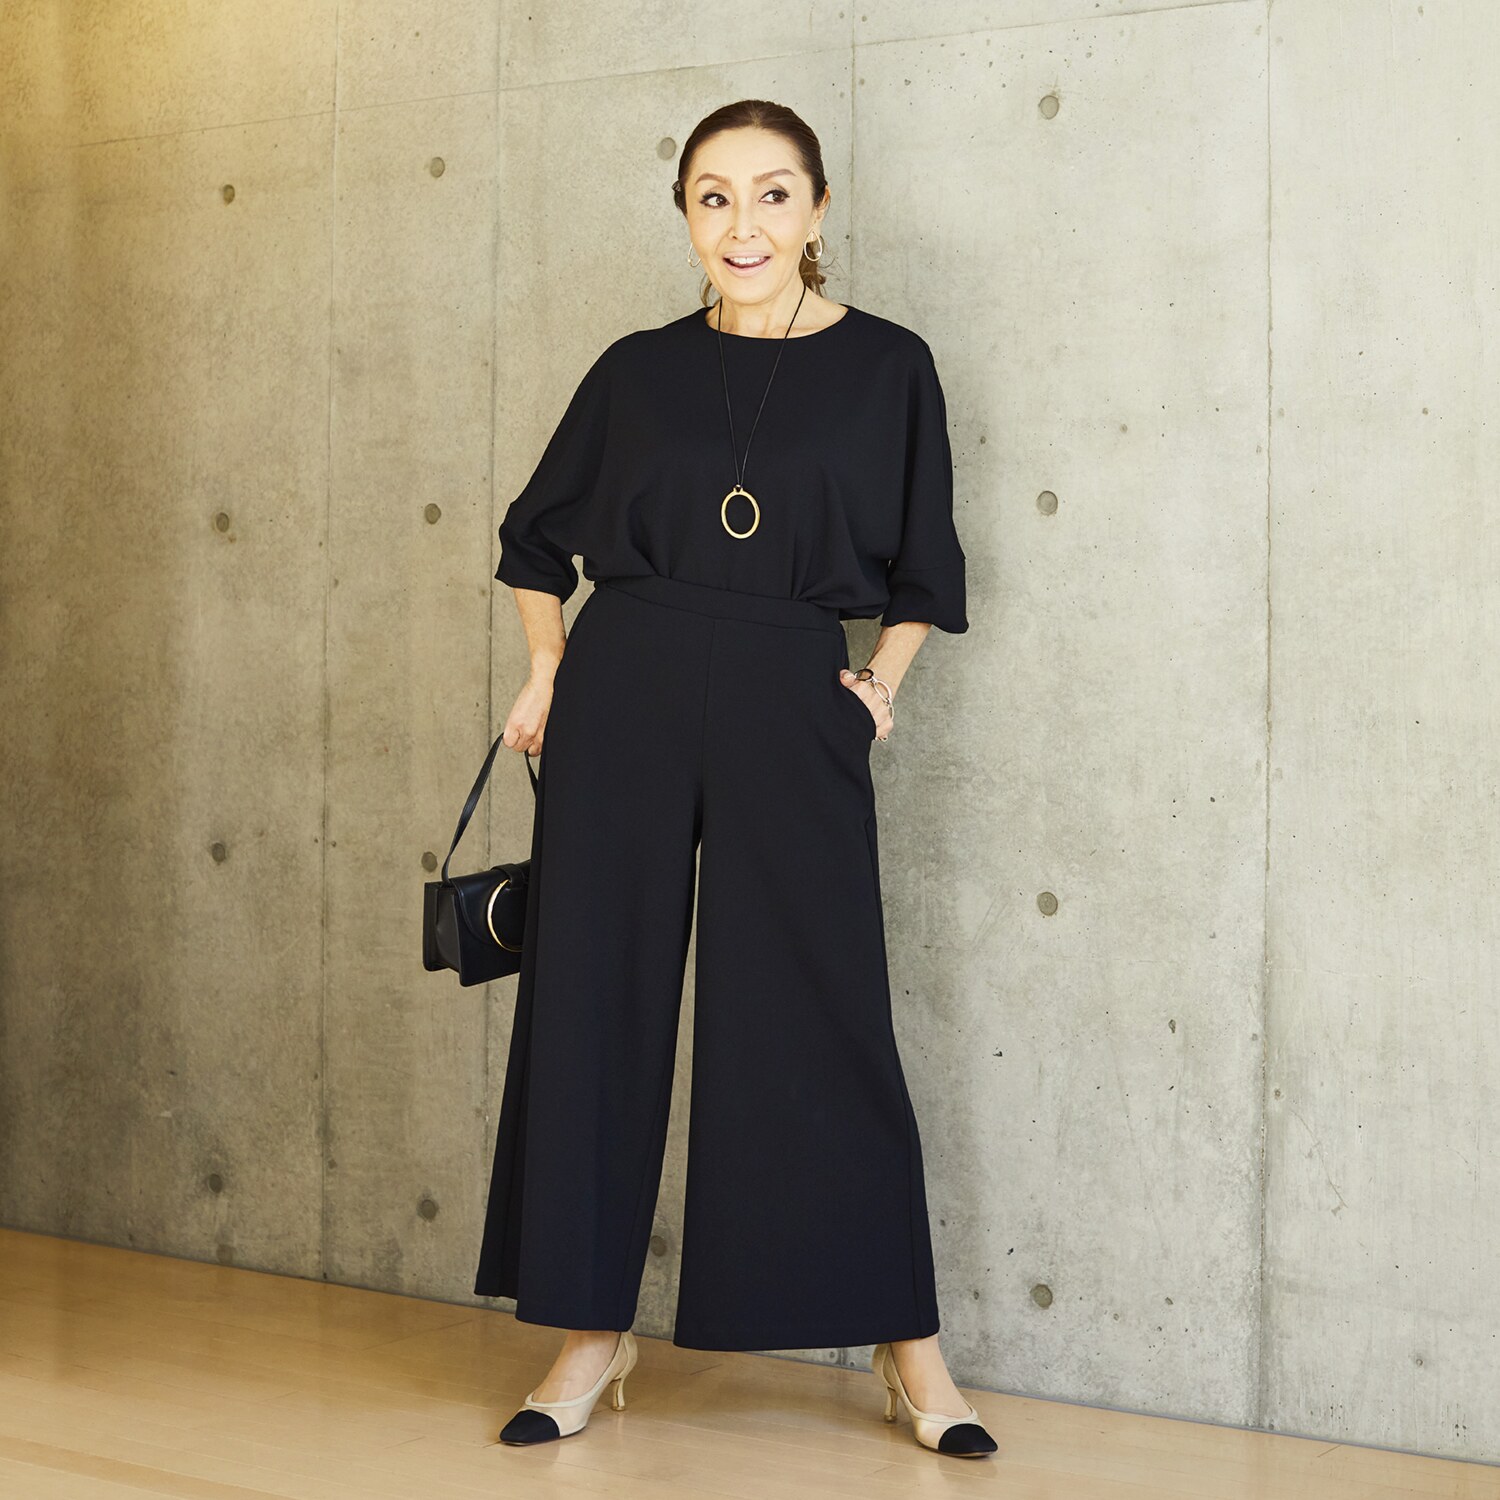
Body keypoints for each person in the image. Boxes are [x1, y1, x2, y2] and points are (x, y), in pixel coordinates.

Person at [472, 98, 996, 1460]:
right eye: (714, 196)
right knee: (593, 1001)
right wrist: (547, 671)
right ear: (688, 219)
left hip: (789, 695)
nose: (743, 223)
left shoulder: (889, 367)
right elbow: (534, 542)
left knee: (822, 1012)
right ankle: (589, 1333)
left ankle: (907, 1346)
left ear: (817, 210)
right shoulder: (637, 370)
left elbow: (924, 568)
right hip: (626, 687)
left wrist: (879, 686)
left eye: (772, 194)